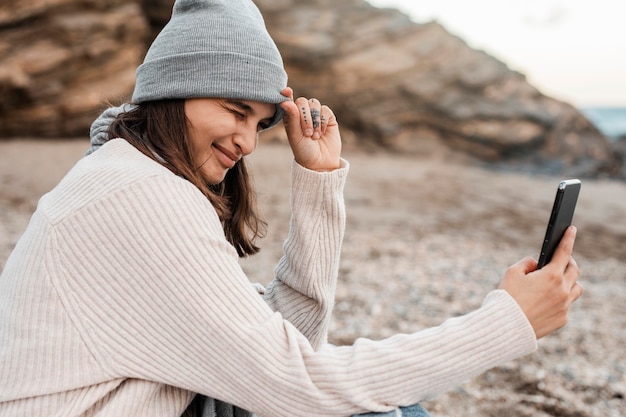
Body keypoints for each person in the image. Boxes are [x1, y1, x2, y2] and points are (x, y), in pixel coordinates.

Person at [0, 0, 582, 416]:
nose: (248, 142)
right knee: (388, 413)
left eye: (259, 122)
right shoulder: (139, 198)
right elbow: (299, 388)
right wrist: (507, 324)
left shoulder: (134, 175)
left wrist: (319, 179)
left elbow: (290, 341)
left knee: (386, 407)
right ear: (170, 94)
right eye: (233, 110)